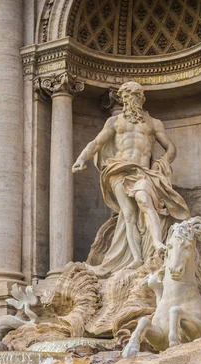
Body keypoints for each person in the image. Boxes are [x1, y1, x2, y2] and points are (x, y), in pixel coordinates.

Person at [72, 81, 189, 276]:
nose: (130, 100)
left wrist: (159, 164)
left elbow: (171, 148)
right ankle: (136, 258)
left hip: (142, 171)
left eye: (134, 96)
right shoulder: (114, 122)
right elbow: (97, 143)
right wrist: (81, 158)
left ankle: (157, 243)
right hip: (118, 169)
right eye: (126, 97)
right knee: (128, 215)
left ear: (141, 99)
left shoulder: (153, 123)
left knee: (144, 201)